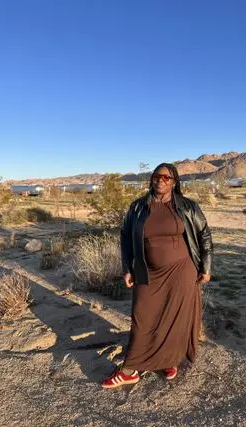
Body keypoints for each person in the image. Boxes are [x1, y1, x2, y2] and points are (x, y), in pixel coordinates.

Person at [102, 163, 213, 389]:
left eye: (166, 177)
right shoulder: (138, 207)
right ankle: (130, 370)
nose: (161, 180)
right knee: (142, 317)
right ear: (151, 179)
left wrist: (207, 267)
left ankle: (167, 361)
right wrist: (127, 267)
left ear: (174, 182)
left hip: (182, 270)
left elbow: (204, 236)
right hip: (147, 271)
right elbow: (125, 237)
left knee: (173, 318)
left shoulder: (187, 206)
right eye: (157, 176)